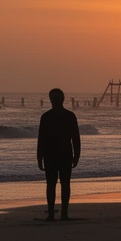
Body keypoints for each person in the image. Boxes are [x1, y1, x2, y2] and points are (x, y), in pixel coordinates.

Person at [36, 88, 80, 220]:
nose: (56, 101)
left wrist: (77, 155)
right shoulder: (45, 117)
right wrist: (39, 157)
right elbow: (41, 139)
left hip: (66, 155)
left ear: (63, 100)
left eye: (59, 98)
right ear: (50, 100)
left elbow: (76, 138)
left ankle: (64, 213)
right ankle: (50, 213)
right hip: (50, 155)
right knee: (50, 184)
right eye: (54, 98)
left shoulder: (70, 116)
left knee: (65, 184)